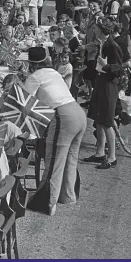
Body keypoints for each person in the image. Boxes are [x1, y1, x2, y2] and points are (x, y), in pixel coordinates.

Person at [24, 47, 86, 216]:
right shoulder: (53, 73)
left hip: (63, 116)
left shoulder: (35, 77)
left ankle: (47, 203)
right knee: (70, 159)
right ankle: (68, 195)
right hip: (78, 114)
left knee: (53, 161)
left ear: (31, 64)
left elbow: (24, 101)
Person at [84, 18, 124, 169]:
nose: (94, 30)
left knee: (107, 121)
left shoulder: (112, 46)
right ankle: (100, 152)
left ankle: (112, 157)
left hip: (109, 86)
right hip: (100, 83)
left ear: (101, 30)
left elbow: (119, 69)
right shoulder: (102, 44)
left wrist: (106, 66)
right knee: (99, 119)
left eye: (96, 28)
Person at [80, 0, 104, 106]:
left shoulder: (100, 18)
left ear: (99, 6)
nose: (92, 7)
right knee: (87, 77)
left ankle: (93, 100)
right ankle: (90, 97)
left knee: (92, 77)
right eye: (90, 5)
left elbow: (99, 41)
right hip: (88, 51)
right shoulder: (93, 17)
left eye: (94, 6)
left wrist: (85, 47)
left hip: (94, 53)